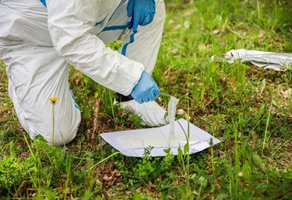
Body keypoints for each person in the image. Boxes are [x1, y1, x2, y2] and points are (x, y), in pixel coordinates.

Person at [0, 0, 167, 146]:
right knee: (56, 133)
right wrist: (132, 78)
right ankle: (22, 80)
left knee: (152, 4)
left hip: (85, 19)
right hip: (31, 35)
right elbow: (72, 41)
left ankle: (131, 100)